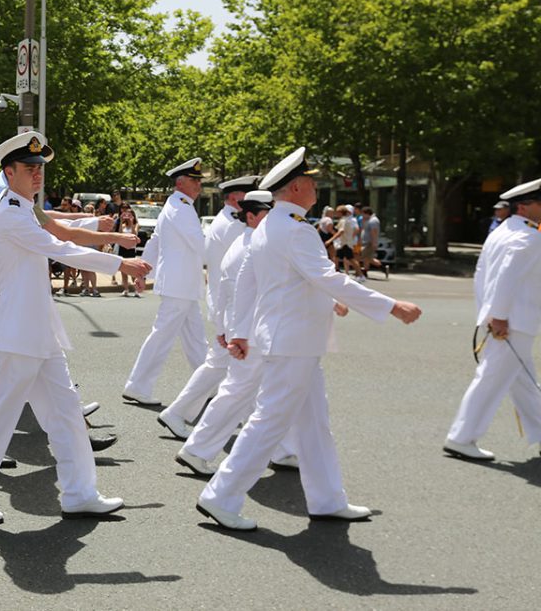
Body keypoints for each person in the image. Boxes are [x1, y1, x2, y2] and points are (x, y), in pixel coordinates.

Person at [196, 147, 422, 531]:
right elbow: (326, 278)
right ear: (297, 187)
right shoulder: (295, 229)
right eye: (312, 180)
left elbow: (249, 282)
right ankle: (220, 495)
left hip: (288, 339)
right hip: (292, 341)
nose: (316, 185)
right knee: (269, 420)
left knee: (315, 423)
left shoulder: (270, 226)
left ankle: (327, 499)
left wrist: (239, 332)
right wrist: (389, 306)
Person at [0, 132, 148, 524]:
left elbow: (1, 264)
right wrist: (121, 263)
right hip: (20, 335)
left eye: (40, 169)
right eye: (29, 168)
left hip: (39, 333)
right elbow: (61, 248)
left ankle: (80, 493)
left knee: (66, 412)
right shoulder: (11, 214)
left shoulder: (19, 207)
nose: (38, 175)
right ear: (9, 171)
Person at [176, 190, 303, 476]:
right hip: (253, 332)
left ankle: (284, 450)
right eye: (267, 213)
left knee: (269, 393)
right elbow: (241, 293)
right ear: (252, 215)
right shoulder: (254, 245)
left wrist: (223, 328)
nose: (273, 219)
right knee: (242, 393)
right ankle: (197, 449)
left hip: (248, 329)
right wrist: (231, 332)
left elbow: (224, 293)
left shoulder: (246, 242)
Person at [444, 178, 541, 462]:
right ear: (524, 207)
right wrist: (498, 316)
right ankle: (462, 437)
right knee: (490, 379)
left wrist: (488, 314)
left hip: (504, 320)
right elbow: (506, 277)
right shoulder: (530, 237)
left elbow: (482, 276)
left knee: (523, 380)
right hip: (513, 322)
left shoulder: (501, 232)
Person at [157, 175, 259, 439]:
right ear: (238, 199)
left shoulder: (228, 222)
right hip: (236, 311)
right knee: (234, 373)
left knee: (226, 370)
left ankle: (271, 437)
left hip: (232, 309)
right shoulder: (236, 227)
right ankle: (185, 421)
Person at [121, 157, 205, 407]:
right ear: (181, 183)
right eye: (194, 180)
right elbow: (199, 244)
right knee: (163, 337)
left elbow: (156, 241)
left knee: (196, 340)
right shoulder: (182, 207)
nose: (199, 185)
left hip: (182, 285)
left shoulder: (175, 205)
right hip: (180, 285)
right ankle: (137, 386)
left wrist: (143, 271)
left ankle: (210, 386)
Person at [116, 206, 140, 296]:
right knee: (123, 270)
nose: (128, 216)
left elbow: (135, 234)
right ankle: (126, 289)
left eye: (130, 215)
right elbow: (119, 234)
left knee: (132, 270)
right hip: (123, 248)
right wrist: (122, 221)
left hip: (131, 249)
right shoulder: (123, 225)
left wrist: (132, 223)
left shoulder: (136, 224)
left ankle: (136, 289)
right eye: (126, 215)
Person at [358, 206, 382, 280]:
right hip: (367, 242)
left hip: (369, 242)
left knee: (362, 256)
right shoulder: (369, 220)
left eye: (363, 214)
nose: (362, 216)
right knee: (367, 258)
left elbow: (373, 232)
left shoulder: (373, 221)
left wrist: (374, 242)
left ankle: (364, 271)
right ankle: (365, 271)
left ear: (366, 213)